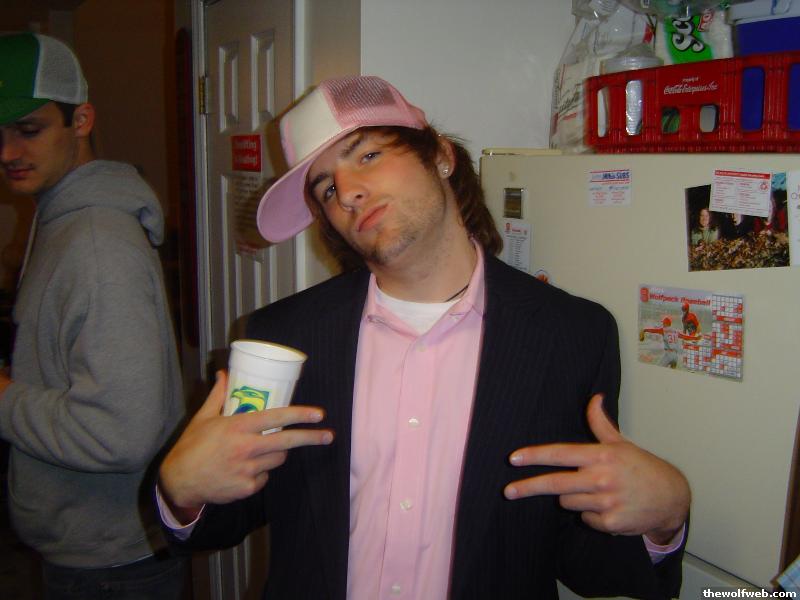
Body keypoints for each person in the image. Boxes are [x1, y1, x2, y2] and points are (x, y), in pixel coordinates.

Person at [158, 76, 690, 599]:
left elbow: (584, 557)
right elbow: (230, 513)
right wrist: (182, 493)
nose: (348, 192)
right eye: (326, 188)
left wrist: (662, 523)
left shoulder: (572, 335)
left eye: (367, 155)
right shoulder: (284, 336)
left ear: (439, 155)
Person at [0, 32, 187, 598]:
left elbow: (118, 433)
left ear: (80, 120)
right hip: (93, 548)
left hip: (114, 567)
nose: (7, 153)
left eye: (28, 130)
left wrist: (2, 398)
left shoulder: (99, 245)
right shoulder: (59, 217)